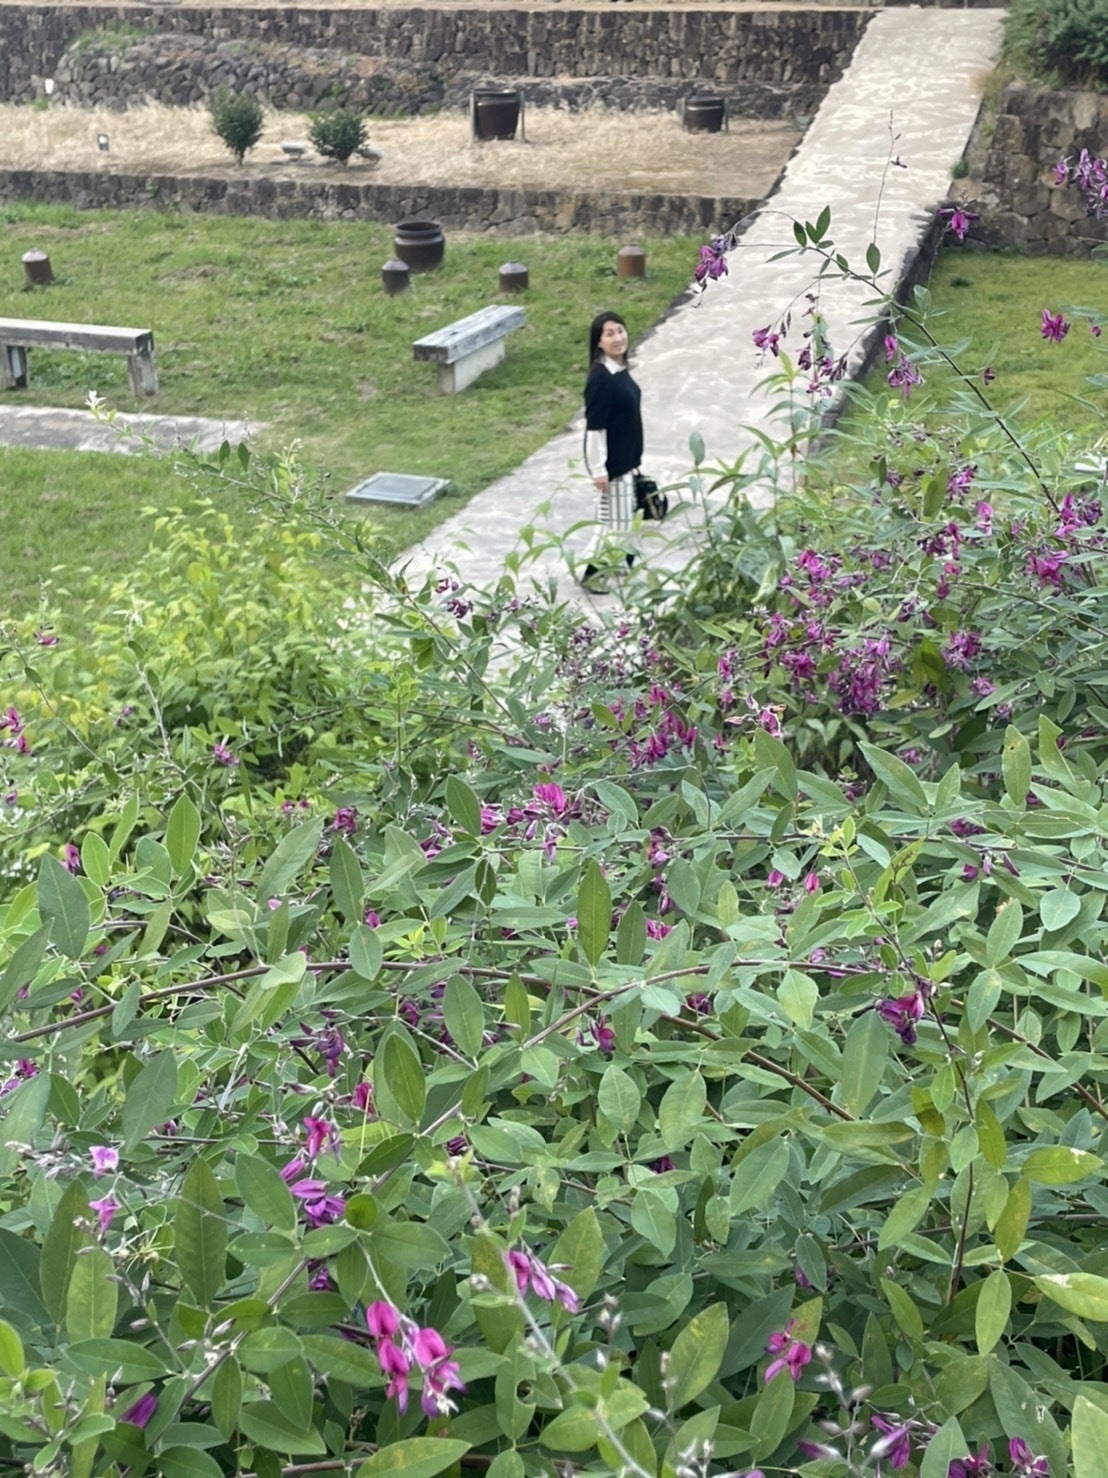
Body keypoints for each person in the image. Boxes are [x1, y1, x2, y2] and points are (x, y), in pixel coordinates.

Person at [581, 310, 644, 593]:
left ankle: (623, 564)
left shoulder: (618, 371)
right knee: (612, 523)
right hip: (612, 467)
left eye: (620, 330)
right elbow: (595, 429)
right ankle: (592, 574)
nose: (618, 338)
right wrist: (598, 470)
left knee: (623, 519)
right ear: (599, 342)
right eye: (610, 334)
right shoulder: (601, 379)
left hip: (626, 461)